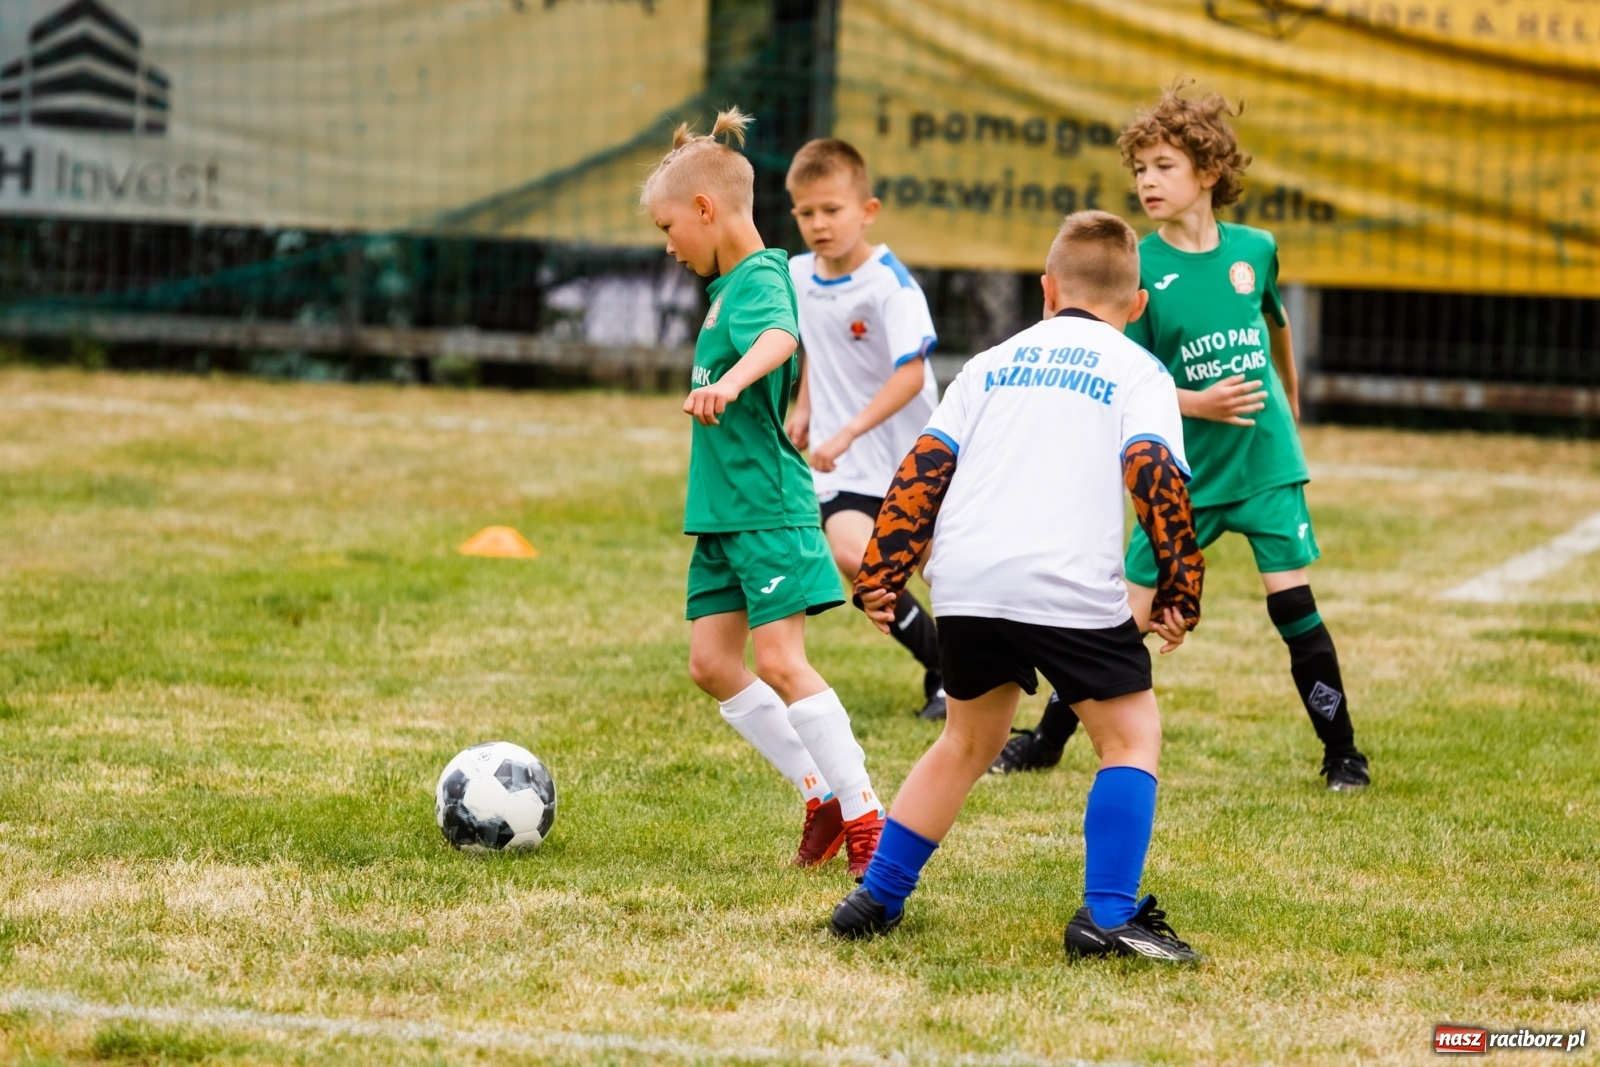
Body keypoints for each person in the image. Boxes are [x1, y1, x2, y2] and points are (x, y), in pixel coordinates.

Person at [829, 211, 1207, 963]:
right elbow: (1152, 471)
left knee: (968, 738)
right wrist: (1180, 581)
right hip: (1063, 580)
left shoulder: (991, 362)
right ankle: (1108, 916)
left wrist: (881, 572)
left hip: (967, 580)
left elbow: (923, 468)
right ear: (1138, 307)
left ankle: (875, 895)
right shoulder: (1140, 370)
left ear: (1046, 290)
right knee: (1131, 736)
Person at [992, 83, 1371, 792]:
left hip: (1262, 462)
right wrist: (1198, 399)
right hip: (1184, 474)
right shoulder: (1140, 267)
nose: (1146, 181)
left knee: (1293, 603)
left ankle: (1343, 753)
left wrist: (1288, 398)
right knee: (1121, 617)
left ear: (1208, 170)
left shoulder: (1255, 250)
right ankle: (1045, 739)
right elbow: (1127, 372)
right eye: (1139, 169)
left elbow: (1275, 327)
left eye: (1162, 165)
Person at [643, 107, 885, 877]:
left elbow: (781, 337)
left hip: (766, 507)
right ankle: (818, 792)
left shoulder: (756, 277)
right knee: (713, 663)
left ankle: (867, 815)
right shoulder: (729, 286)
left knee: (781, 659)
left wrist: (735, 382)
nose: (669, 246)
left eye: (669, 227)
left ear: (706, 210)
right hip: (723, 512)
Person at [782, 138, 947, 720]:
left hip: (913, 458)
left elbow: (911, 376)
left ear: (867, 211)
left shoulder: (890, 285)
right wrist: (805, 404)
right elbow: (814, 348)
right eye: (806, 213)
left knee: (941, 573)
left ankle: (968, 673)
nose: (819, 224)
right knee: (855, 556)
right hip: (846, 465)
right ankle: (945, 669)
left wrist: (847, 430)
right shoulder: (798, 276)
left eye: (832, 210)